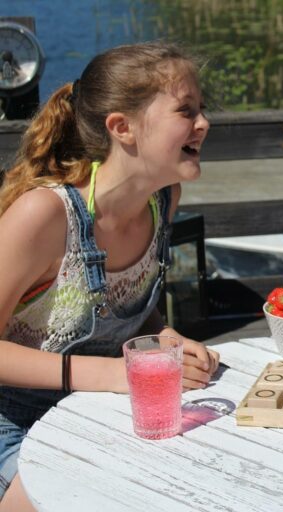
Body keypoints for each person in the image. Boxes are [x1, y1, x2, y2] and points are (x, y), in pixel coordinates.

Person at [0, 42, 220, 511]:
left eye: (201, 110)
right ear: (122, 128)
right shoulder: (44, 215)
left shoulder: (163, 200)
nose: (204, 124)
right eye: (186, 110)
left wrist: (163, 336)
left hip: (98, 408)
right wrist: (113, 374)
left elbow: (127, 310)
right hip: (12, 420)